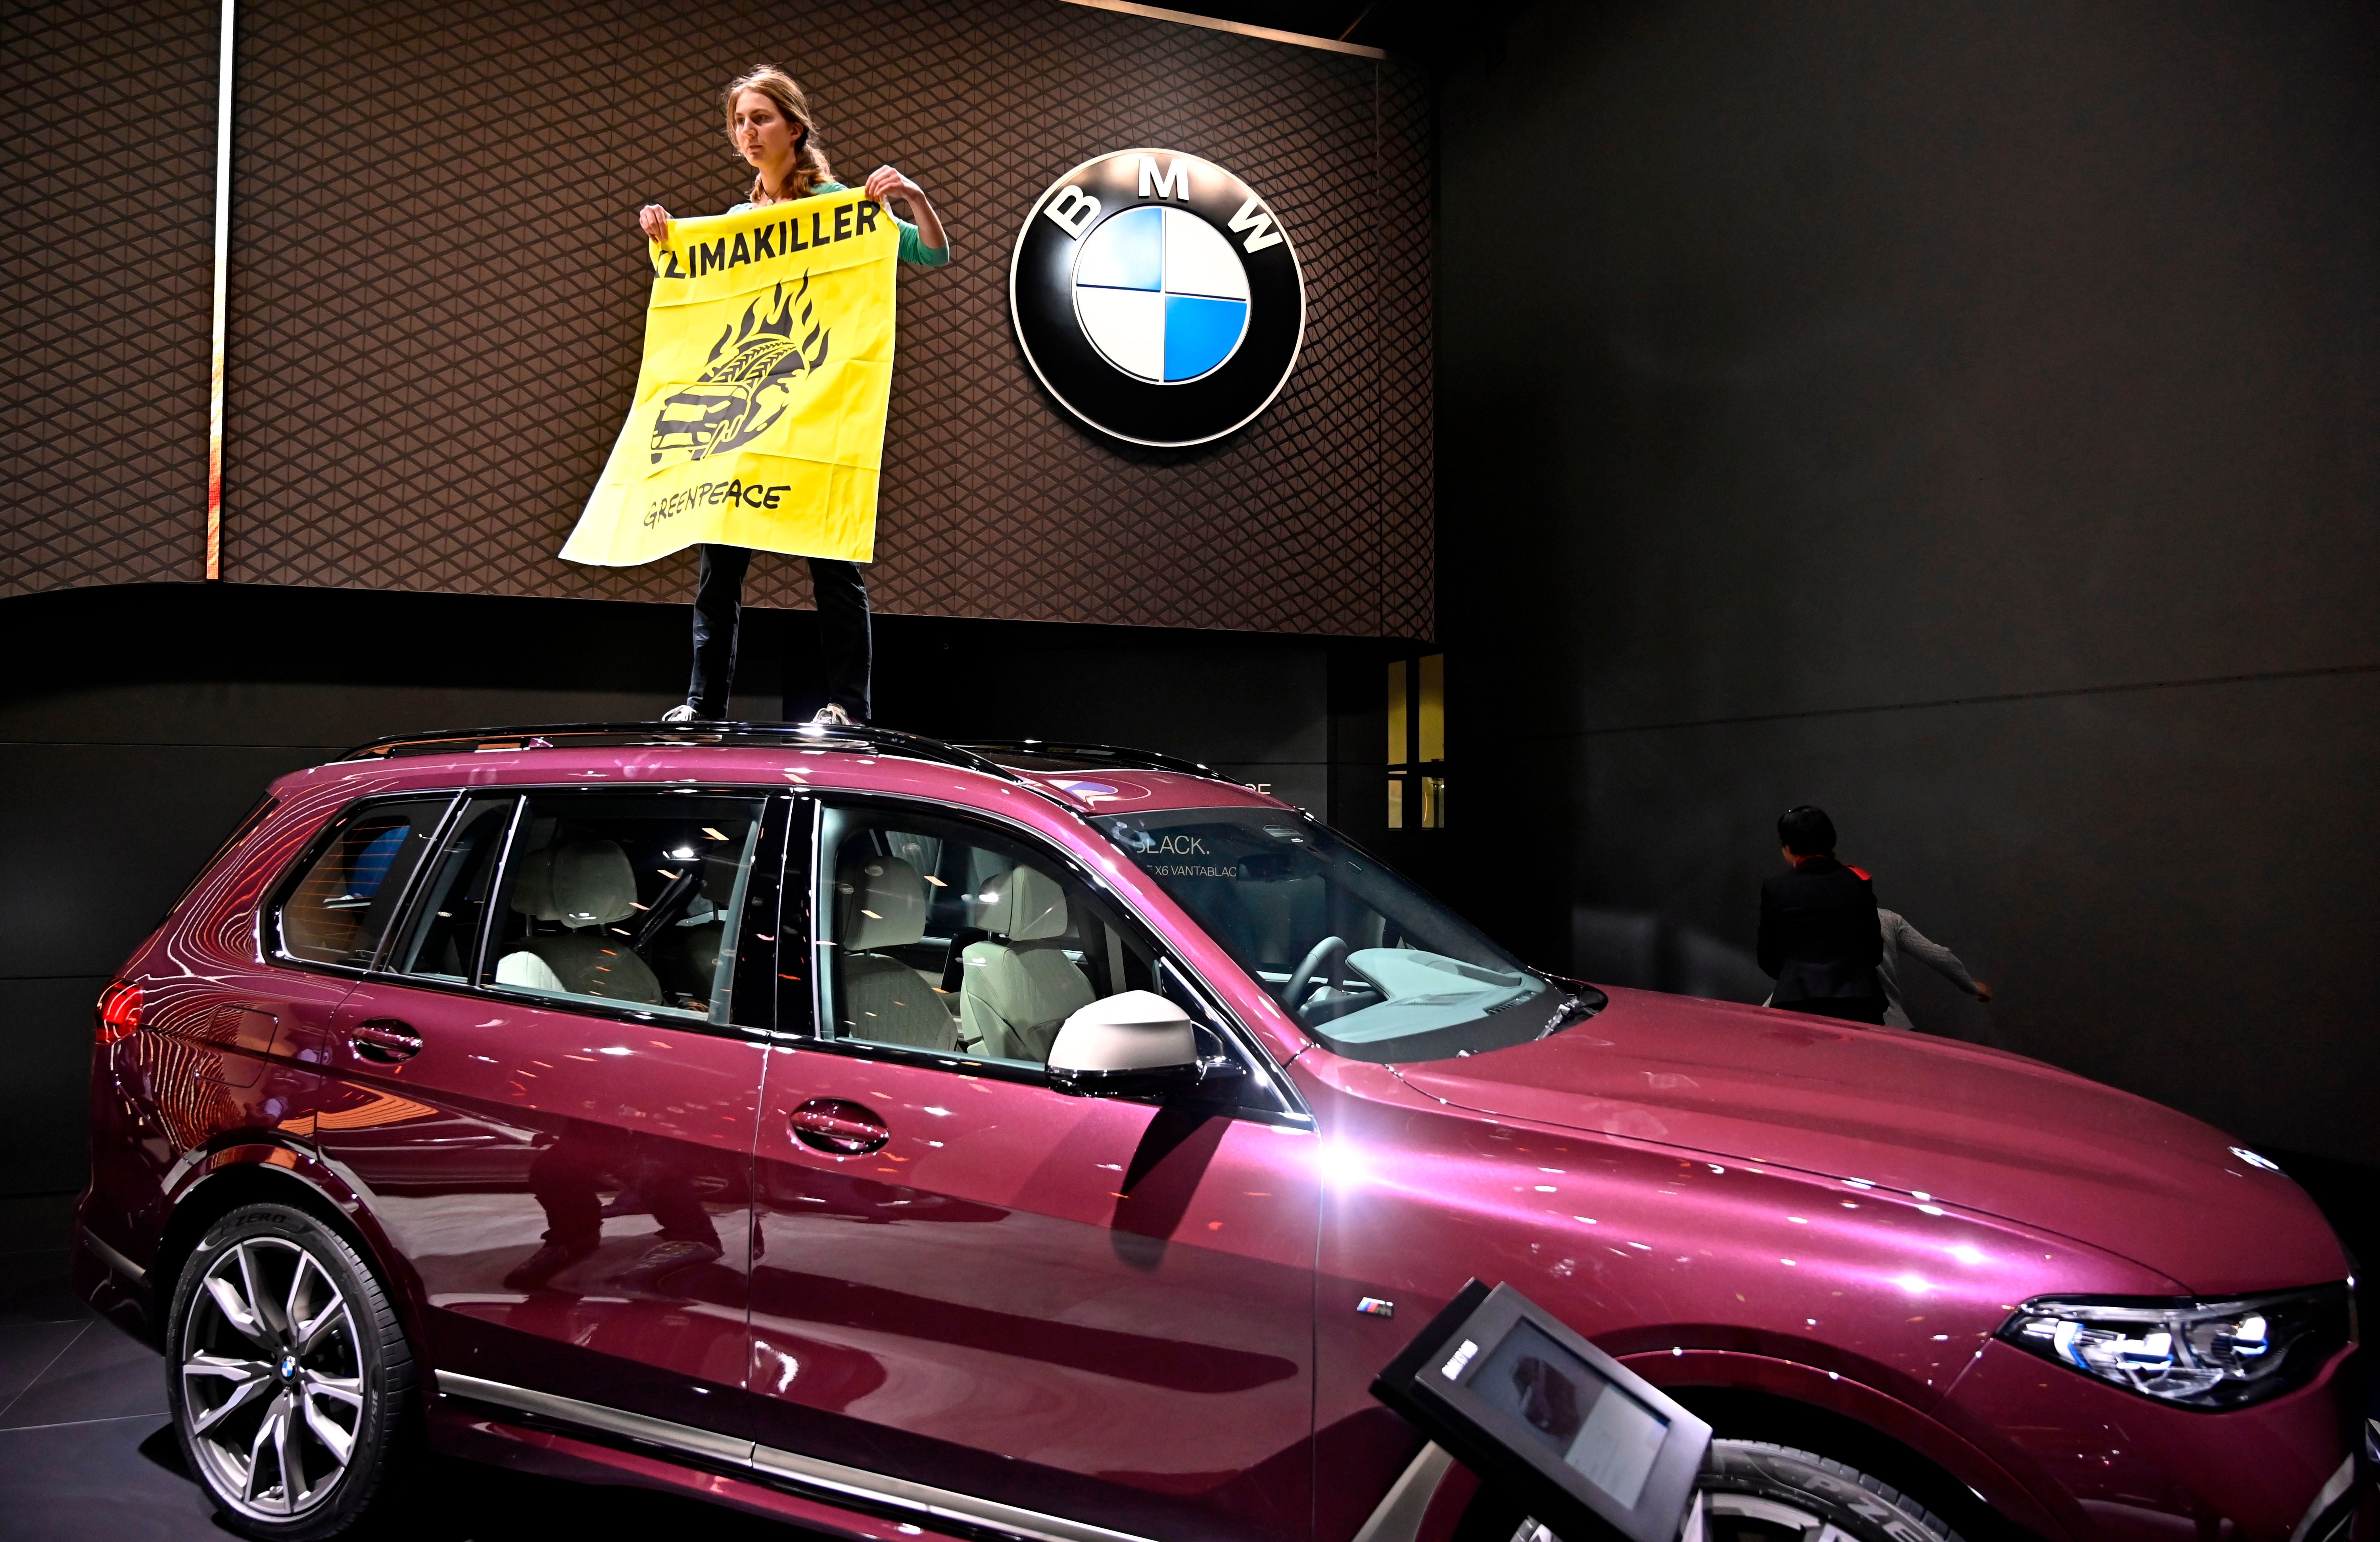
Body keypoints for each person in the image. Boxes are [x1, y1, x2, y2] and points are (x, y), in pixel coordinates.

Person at [637, 66, 949, 728]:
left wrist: (912, 197)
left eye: (760, 119)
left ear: (794, 127)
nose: (747, 133)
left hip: (814, 405)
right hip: (744, 410)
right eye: (739, 122)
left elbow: (930, 255)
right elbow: (698, 302)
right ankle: (702, 704)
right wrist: (667, 242)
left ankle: (850, 709)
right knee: (718, 565)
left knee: (833, 561)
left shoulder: (839, 203)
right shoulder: (736, 222)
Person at [1756, 806, 1887, 1026]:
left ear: (1788, 848)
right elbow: (1874, 951)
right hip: (1858, 1003)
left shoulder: (1776, 888)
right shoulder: (1858, 882)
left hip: (1796, 1003)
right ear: (1831, 841)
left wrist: (1794, 977)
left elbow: (1767, 957)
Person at [1876, 908, 1993, 1030]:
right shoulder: (1888, 919)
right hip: (1891, 1025)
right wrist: (1973, 987)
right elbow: (1940, 957)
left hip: (1857, 1030)